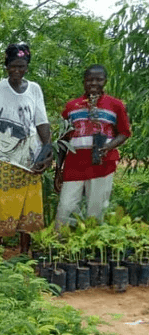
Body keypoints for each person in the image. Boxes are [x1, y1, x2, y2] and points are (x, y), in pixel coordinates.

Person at [0, 43, 52, 253]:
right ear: (6, 65)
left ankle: (24, 253)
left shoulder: (34, 89)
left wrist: (48, 148)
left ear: (27, 65)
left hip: (30, 158)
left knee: (29, 208)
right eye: (13, 66)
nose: (17, 71)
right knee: (1, 205)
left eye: (22, 66)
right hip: (3, 157)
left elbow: (41, 123)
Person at [54, 64, 131, 225]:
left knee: (95, 212)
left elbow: (124, 132)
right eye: (89, 80)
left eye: (98, 79)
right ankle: (62, 247)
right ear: (84, 82)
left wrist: (108, 147)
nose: (93, 83)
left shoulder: (115, 105)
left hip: (102, 164)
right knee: (65, 208)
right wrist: (58, 170)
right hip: (74, 165)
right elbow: (63, 139)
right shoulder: (71, 107)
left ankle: (92, 248)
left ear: (105, 81)